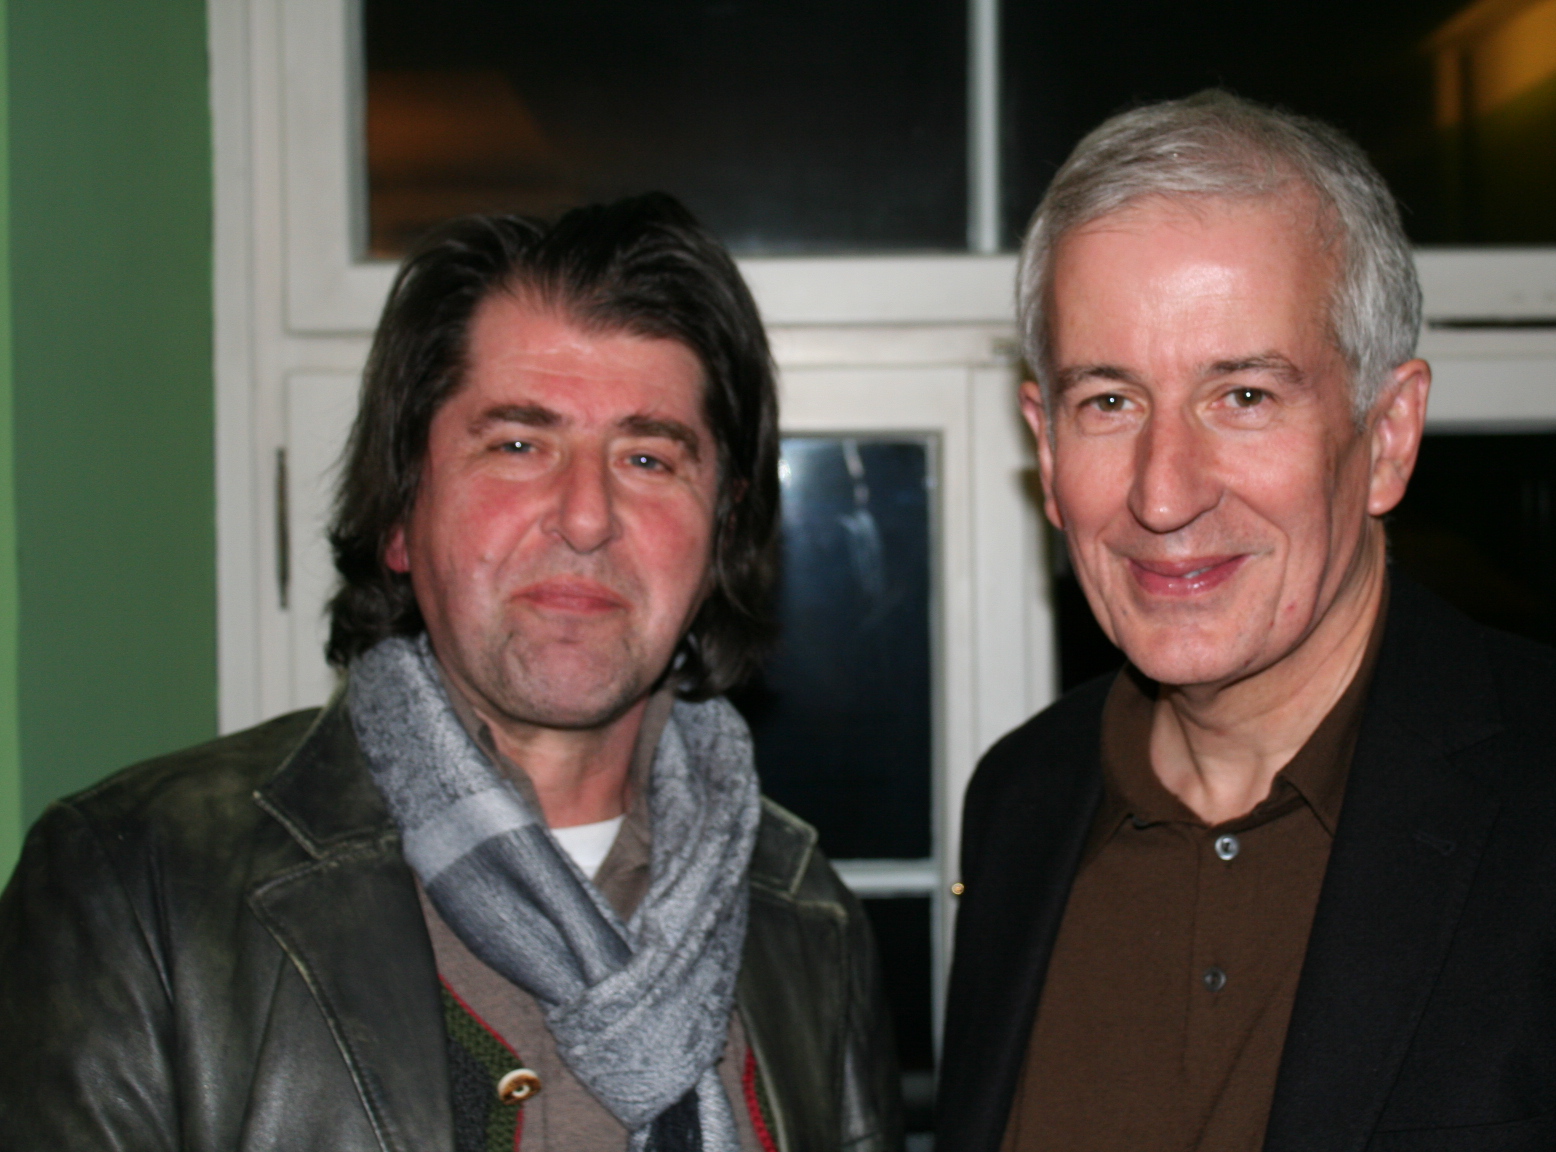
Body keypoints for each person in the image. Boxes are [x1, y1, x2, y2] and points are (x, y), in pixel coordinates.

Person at [0, 194, 901, 1152]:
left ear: (720, 535)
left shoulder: (809, 922)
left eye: (647, 458)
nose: (586, 516)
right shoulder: (137, 890)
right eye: (517, 446)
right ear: (399, 513)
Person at [937, 91, 1556, 1151]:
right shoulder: (1020, 800)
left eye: (1245, 397)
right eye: (1109, 402)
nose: (1163, 495)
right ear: (1044, 446)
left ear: (1388, 435)